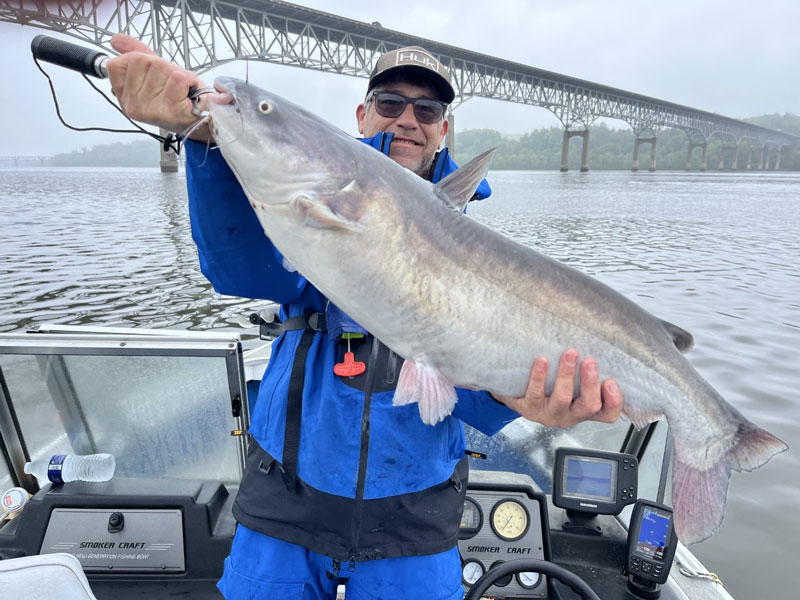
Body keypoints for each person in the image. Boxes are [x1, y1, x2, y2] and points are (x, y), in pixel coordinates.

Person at [108, 37, 623, 600]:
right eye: (390, 103)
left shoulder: (479, 254)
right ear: (362, 114)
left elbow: (464, 391)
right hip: (284, 506)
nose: (408, 119)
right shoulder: (314, 202)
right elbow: (243, 270)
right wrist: (208, 137)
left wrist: (513, 398)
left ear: (443, 130)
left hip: (414, 522)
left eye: (427, 110)